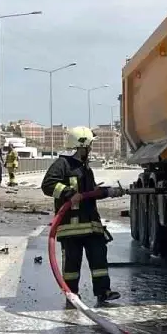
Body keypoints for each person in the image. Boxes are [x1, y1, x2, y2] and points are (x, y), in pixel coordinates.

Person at [41, 127, 124, 307]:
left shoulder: (86, 168)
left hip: (91, 224)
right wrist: (69, 193)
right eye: (90, 145)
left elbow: (89, 193)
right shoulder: (62, 164)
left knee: (99, 258)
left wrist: (109, 192)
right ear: (81, 146)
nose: (91, 148)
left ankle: (104, 292)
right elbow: (47, 185)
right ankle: (72, 294)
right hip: (71, 226)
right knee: (72, 263)